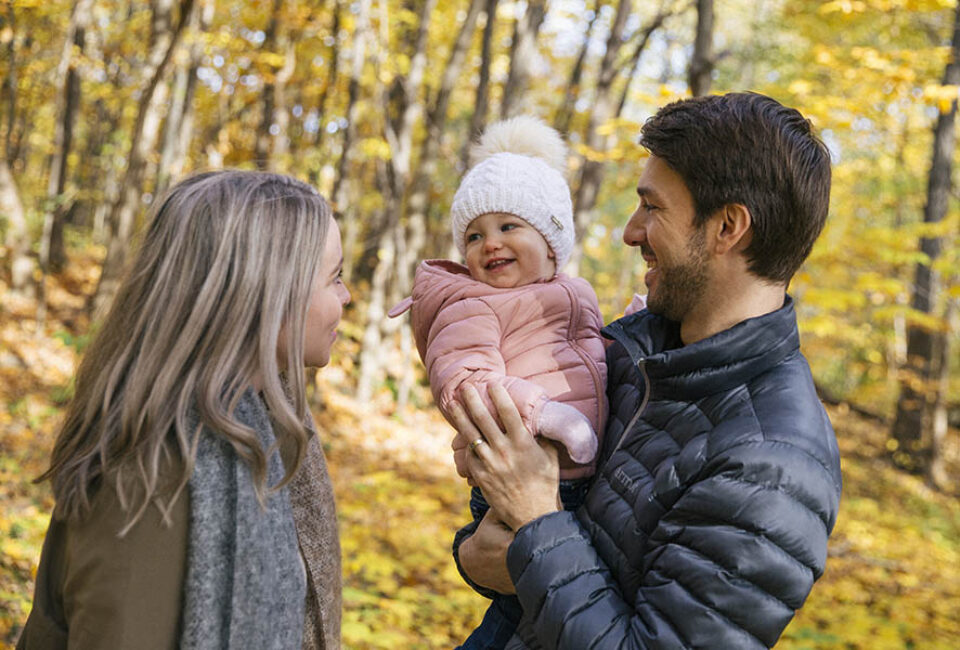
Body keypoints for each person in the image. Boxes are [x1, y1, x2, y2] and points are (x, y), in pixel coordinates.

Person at [450, 92, 843, 649]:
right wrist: (479, 541)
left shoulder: (772, 462)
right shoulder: (630, 357)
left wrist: (536, 524)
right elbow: (500, 534)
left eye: (652, 208)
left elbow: (539, 528)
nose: (630, 232)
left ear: (728, 226)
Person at [17, 171, 350, 650]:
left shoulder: (269, 430)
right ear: (264, 294)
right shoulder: (151, 475)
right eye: (334, 277)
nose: (346, 296)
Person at [389, 115, 608, 648]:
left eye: (509, 226)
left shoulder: (572, 293)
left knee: (536, 618)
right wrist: (544, 414)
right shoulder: (473, 303)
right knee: (522, 614)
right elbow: (464, 378)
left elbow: (593, 358)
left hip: (569, 480)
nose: (490, 244)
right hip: (521, 476)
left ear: (552, 238)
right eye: (474, 234)